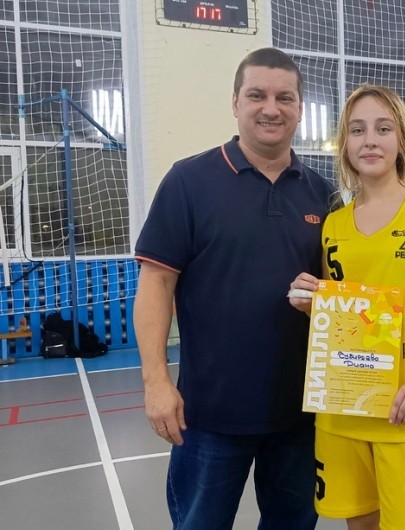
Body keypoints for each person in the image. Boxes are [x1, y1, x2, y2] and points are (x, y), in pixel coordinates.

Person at [133, 47, 334, 530]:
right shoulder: (188, 181)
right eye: (257, 95)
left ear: (300, 108)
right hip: (208, 415)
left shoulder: (325, 194)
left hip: (301, 416)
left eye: (285, 97)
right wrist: (156, 382)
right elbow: (156, 283)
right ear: (235, 102)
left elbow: (339, 295)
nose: (271, 108)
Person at [289, 85, 405, 530]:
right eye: (357, 130)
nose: (370, 140)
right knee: (360, 525)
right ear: (344, 144)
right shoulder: (333, 223)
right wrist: (310, 302)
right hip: (344, 409)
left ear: (401, 139)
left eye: (383, 128)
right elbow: (347, 316)